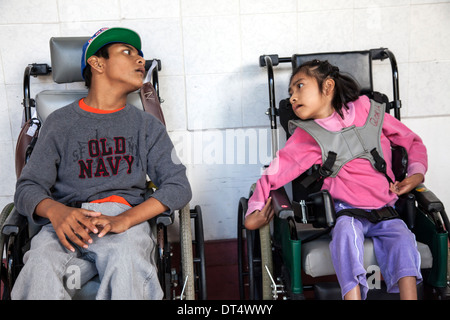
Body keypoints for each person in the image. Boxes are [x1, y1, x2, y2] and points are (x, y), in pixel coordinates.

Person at [12, 27, 192, 299]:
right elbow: (27, 187)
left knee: (126, 261)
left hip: (122, 222)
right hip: (66, 221)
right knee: (39, 266)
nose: (141, 60)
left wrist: (126, 219)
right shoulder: (59, 124)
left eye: (141, 56)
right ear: (97, 63)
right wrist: (55, 212)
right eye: (127, 52)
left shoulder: (146, 126)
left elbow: (178, 186)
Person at [244, 59, 427, 300]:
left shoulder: (368, 110)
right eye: (290, 92)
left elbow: (411, 140)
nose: (292, 97)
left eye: (299, 86)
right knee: (345, 237)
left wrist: (415, 175)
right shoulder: (308, 135)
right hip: (347, 212)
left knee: (403, 240)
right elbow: (274, 173)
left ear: (328, 86)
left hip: (387, 209)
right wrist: (253, 211)